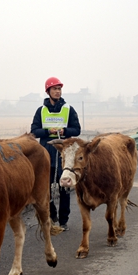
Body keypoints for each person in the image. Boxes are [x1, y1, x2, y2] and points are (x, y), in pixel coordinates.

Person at [30, 76, 81, 232]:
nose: (58, 91)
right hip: (45, 153)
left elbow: (77, 130)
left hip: (63, 154)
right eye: (54, 89)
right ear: (48, 91)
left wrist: (64, 131)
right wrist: (47, 131)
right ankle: (52, 215)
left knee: (64, 186)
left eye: (59, 89)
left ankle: (64, 220)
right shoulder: (41, 111)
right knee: (45, 187)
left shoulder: (69, 109)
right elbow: (34, 131)